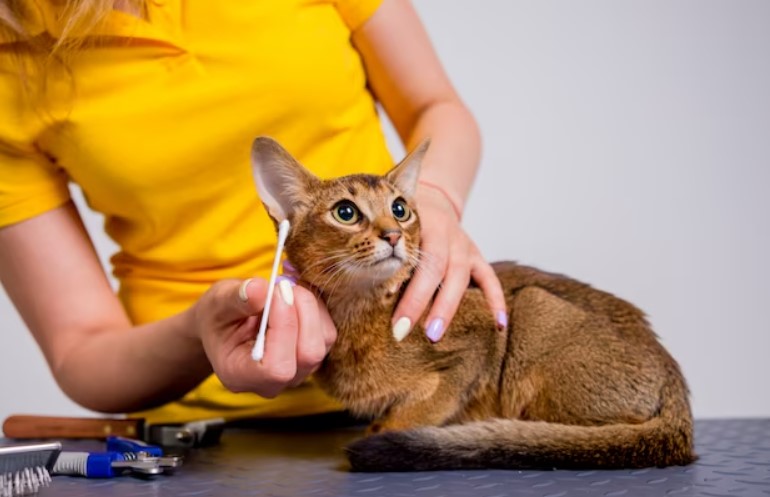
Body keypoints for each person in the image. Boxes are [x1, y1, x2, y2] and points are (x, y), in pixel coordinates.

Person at [0, 0, 506, 425]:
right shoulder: (10, 59)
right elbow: (80, 351)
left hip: (411, 387)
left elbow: (435, 104)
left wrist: (433, 196)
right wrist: (199, 331)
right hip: (200, 429)